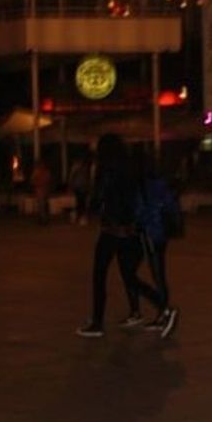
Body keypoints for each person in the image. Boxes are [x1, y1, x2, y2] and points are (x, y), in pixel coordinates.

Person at [76, 134, 149, 338]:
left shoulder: (107, 169)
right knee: (128, 273)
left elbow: (99, 197)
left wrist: (91, 208)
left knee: (99, 275)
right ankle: (136, 311)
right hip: (130, 230)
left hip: (111, 229)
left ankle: (97, 321)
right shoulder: (131, 167)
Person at [135, 160, 181, 338]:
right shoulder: (161, 185)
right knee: (160, 274)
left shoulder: (144, 188)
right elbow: (171, 205)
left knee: (156, 274)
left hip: (151, 233)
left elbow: (139, 211)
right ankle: (163, 312)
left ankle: (164, 311)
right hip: (162, 233)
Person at [31, 159, 53, 225]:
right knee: (42, 206)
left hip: (44, 190)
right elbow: (33, 180)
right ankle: (43, 219)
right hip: (40, 190)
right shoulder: (37, 172)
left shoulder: (45, 172)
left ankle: (44, 219)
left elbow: (48, 180)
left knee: (44, 206)